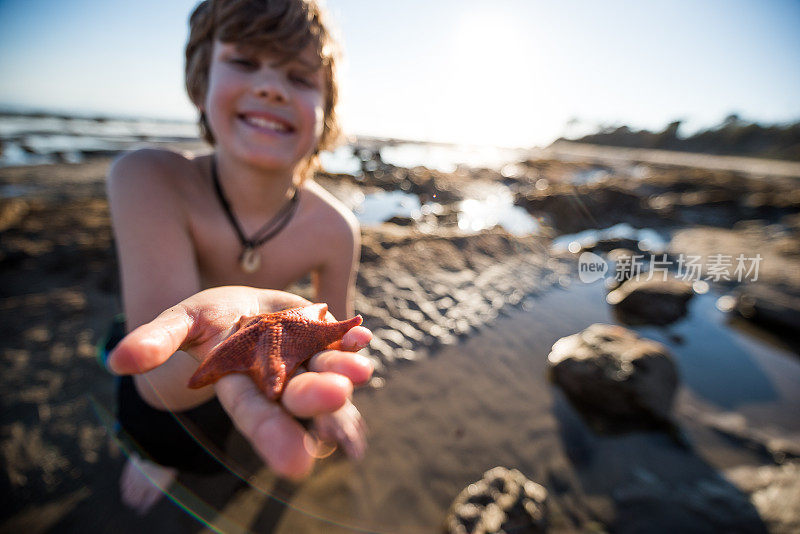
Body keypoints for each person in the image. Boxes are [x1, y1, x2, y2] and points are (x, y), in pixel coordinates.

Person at [106, 0, 366, 514]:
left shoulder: (336, 229)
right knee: (157, 415)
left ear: (326, 112)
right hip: (164, 374)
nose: (271, 87)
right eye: (245, 62)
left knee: (290, 406)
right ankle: (155, 453)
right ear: (201, 82)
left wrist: (340, 398)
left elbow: (331, 334)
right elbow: (158, 383)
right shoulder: (148, 179)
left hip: (253, 373)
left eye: (299, 76)